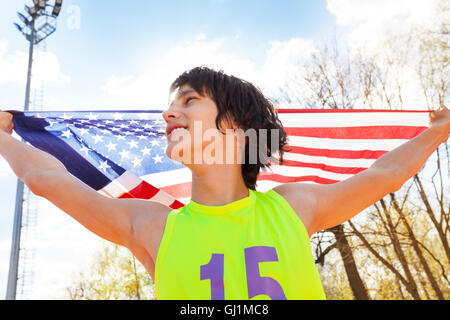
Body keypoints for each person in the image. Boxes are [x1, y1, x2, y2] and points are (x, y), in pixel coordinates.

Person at [0, 66, 449, 300]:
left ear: (236, 125)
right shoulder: (154, 226)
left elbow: (385, 174)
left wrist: (438, 130)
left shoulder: (292, 206)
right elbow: (45, 178)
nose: (168, 114)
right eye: (170, 104)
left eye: (189, 101)